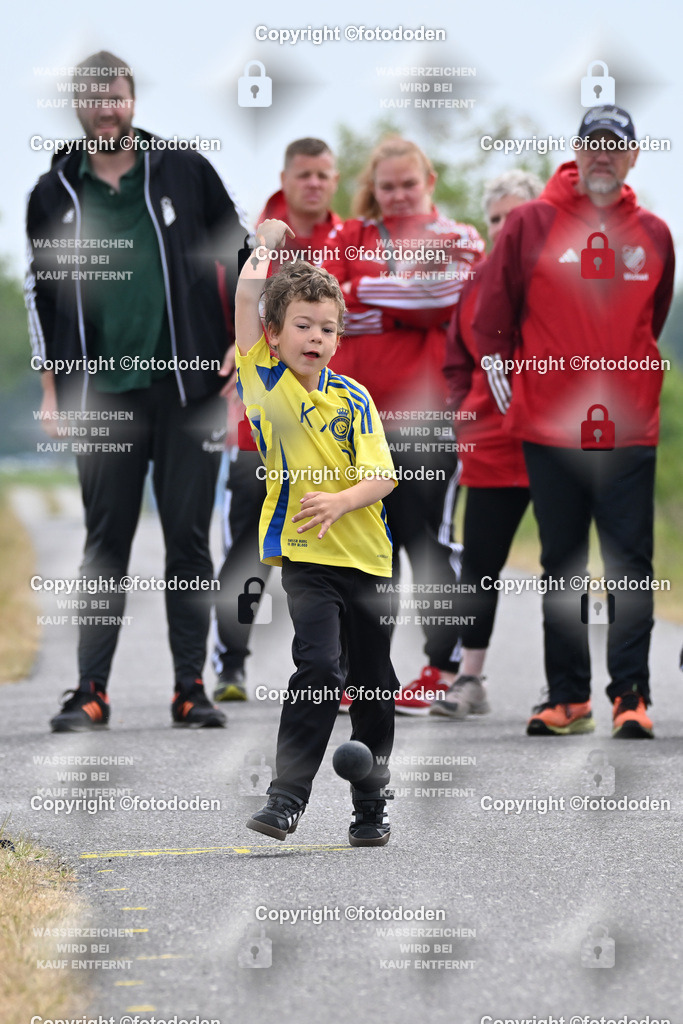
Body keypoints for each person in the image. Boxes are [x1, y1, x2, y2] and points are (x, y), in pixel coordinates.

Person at [25, 51, 246, 731]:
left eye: (115, 96)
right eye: (93, 99)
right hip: (100, 395)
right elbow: (41, 296)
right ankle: (90, 690)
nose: (106, 109)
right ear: (77, 107)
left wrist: (244, 342)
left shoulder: (183, 168)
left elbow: (240, 253)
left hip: (189, 390)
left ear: (131, 98)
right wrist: (52, 390)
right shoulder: (53, 191)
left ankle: (190, 688)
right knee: (104, 541)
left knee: (188, 538)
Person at [472, 106, 675, 738]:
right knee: (561, 562)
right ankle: (567, 699)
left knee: (629, 565)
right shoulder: (531, 224)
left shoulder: (656, 233)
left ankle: (631, 699)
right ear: (576, 152)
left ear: (634, 157)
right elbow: (492, 316)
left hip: (628, 429)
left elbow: (654, 318)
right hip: (547, 428)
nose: (602, 156)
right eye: (591, 144)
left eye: (615, 146)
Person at [235, 220, 398, 845]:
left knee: (375, 684)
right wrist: (263, 249)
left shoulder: (355, 398)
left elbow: (382, 477)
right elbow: (248, 301)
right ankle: (286, 797)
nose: (316, 337)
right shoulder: (266, 384)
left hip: (370, 560)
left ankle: (370, 805)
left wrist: (341, 501)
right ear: (276, 337)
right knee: (320, 670)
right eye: (303, 325)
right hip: (307, 558)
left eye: (328, 328)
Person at [323, 137, 485, 715]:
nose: (397, 195)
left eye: (407, 184)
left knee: (429, 543)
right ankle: (367, 675)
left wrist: (362, 292)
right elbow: (327, 316)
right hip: (358, 419)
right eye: (387, 186)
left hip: (430, 419)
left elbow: (447, 296)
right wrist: (403, 303)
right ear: (374, 186)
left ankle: (442, 669)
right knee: (367, 551)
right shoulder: (349, 236)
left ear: (429, 181)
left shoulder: (459, 237)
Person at [213, 138, 342, 702]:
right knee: (249, 552)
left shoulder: (354, 239)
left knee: (329, 557)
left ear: (334, 180)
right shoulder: (255, 241)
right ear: (286, 177)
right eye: (304, 174)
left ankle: (333, 674)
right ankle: (232, 663)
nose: (314, 183)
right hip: (261, 436)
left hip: (330, 438)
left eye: (323, 174)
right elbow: (238, 304)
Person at [430, 170, 544, 720]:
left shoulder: (559, 280)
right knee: (480, 564)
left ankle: (565, 689)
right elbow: (456, 361)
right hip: (490, 445)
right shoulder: (475, 282)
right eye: (496, 218)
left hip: (552, 443)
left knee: (563, 564)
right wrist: (464, 415)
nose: (505, 227)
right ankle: (469, 679)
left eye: (515, 215)